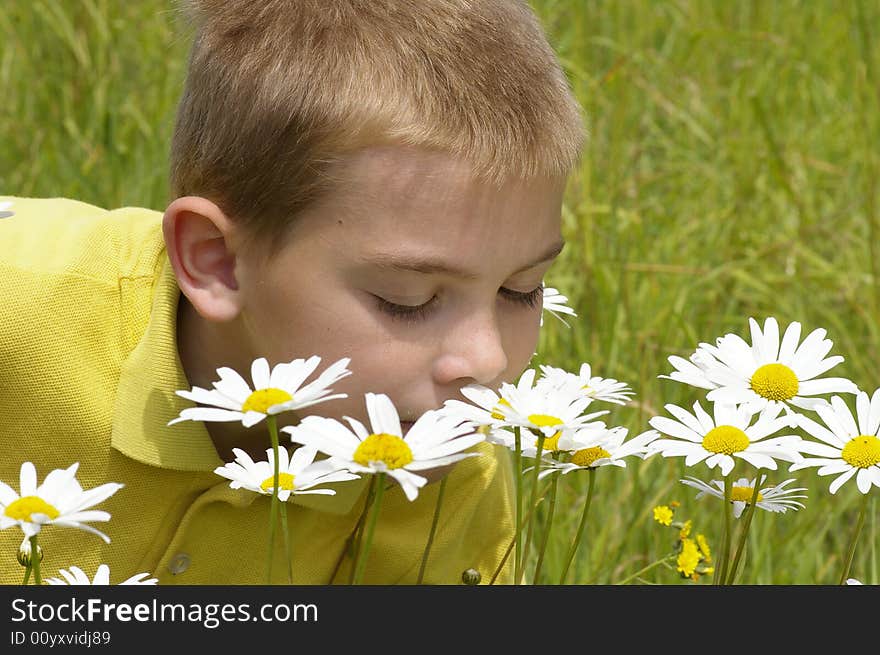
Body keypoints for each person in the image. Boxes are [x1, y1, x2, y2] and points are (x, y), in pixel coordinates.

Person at [0, 0, 584, 585]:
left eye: (521, 290)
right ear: (217, 261)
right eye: (408, 300)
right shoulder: (19, 308)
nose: (488, 361)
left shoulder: (447, 469)